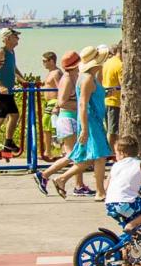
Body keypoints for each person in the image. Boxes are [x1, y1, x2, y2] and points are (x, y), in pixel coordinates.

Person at [51, 45, 112, 199]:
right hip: (91, 121)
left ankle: (62, 179)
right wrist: (84, 129)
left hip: (94, 119)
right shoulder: (87, 79)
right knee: (100, 155)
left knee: (91, 157)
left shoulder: (88, 77)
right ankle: (100, 191)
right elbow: (82, 104)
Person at [33, 51, 87, 198]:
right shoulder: (67, 79)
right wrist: (80, 104)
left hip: (72, 118)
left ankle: (79, 185)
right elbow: (62, 101)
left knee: (79, 154)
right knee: (72, 154)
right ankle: (44, 175)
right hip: (67, 118)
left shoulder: (73, 77)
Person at [0, 27, 27, 154]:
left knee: (14, 115)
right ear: (7, 38)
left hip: (8, 91)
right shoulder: (0, 52)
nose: (18, 39)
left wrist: (23, 80)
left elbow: (13, 68)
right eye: (15, 36)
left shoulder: (11, 52)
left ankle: (8, 142)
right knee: (0, 118)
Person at [40, 51, 62, 156]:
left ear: (52, 61)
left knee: (49, 126)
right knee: (46, 126)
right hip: (49, 103)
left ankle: (49, 151)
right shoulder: (51, 72)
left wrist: (58, 104)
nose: (43, 63)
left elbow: (61, 88)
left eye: (45, 61)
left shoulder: (56, 73)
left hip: (54, 102)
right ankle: (48, 151)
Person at [103, 42, 123, 149]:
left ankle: (110, 152)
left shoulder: (107, 62)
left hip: (106, 99)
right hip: (115, 101)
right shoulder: (120, 65)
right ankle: (110, 152)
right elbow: (123, 83)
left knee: (110, 128)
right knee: (113, 130)